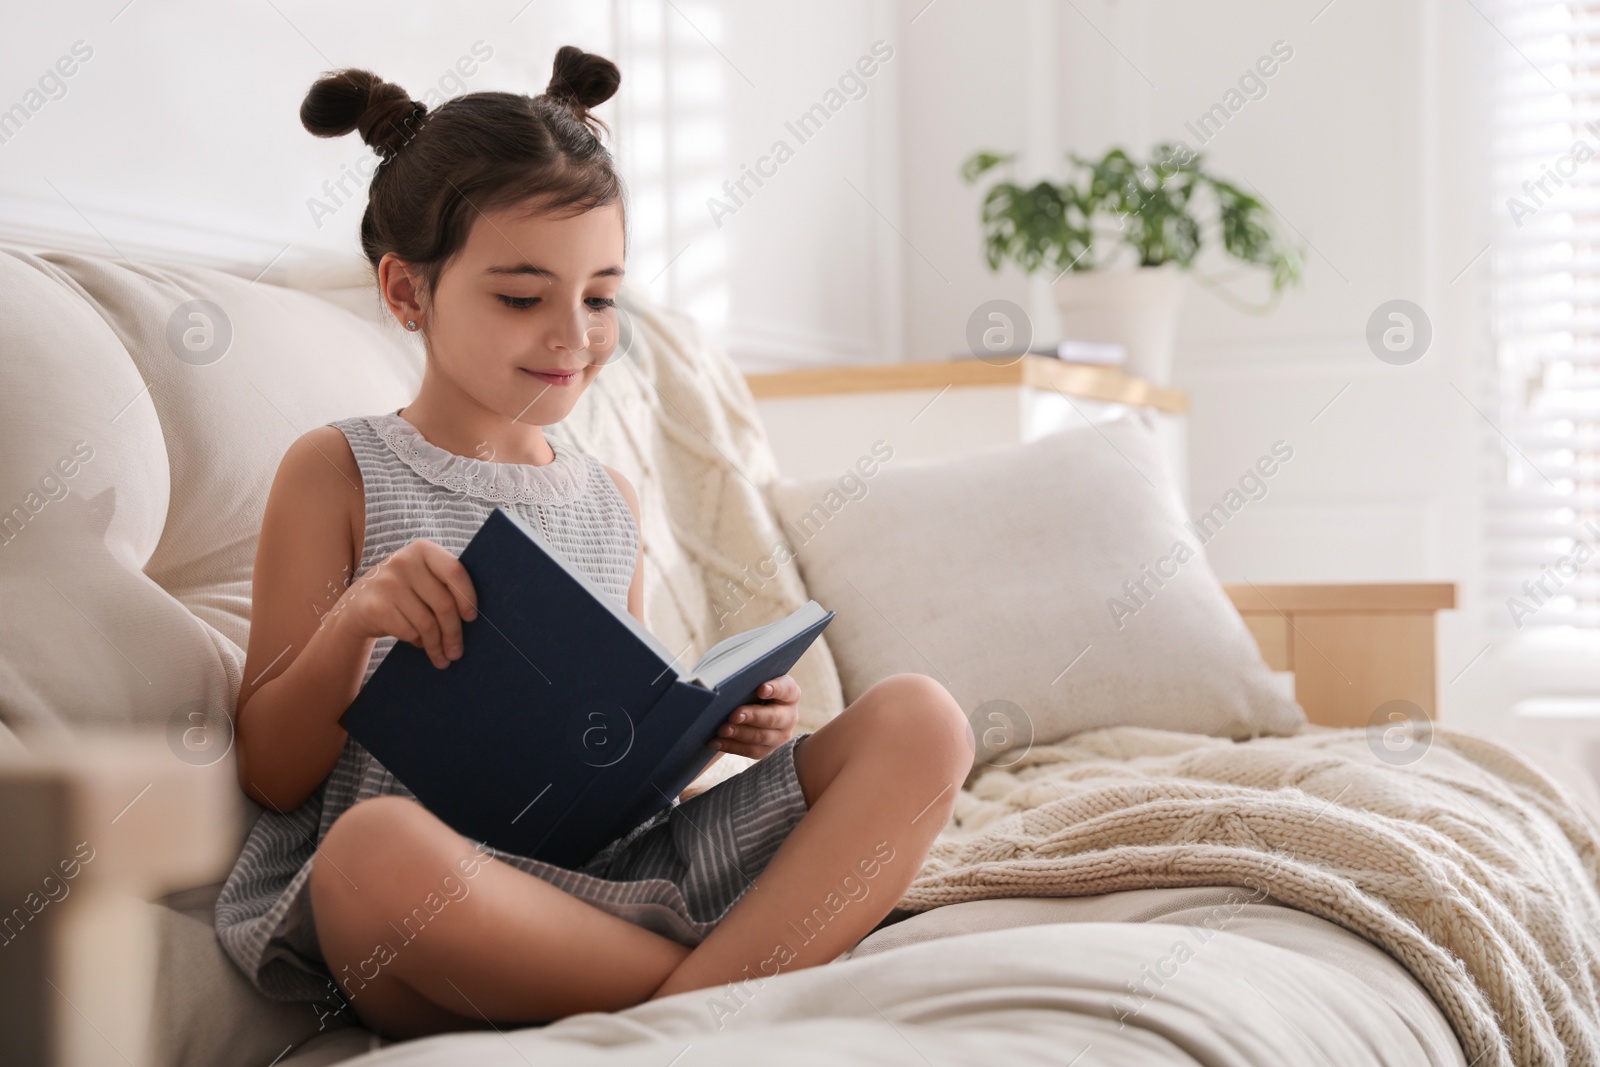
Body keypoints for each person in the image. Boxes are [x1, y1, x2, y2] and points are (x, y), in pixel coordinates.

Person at [213, 46, 973, 1041]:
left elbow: (613, 753)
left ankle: (687, 1002)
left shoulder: (604, 493)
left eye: (602, 297)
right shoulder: (339, 470)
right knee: (368, 850)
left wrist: (709, 731)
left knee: (924, 718)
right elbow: (272, 770)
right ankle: (736, 987)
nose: (573, 335)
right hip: (443, 906)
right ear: (407, 292)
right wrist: (356, 622)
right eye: (523, 298)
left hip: (615, 875)